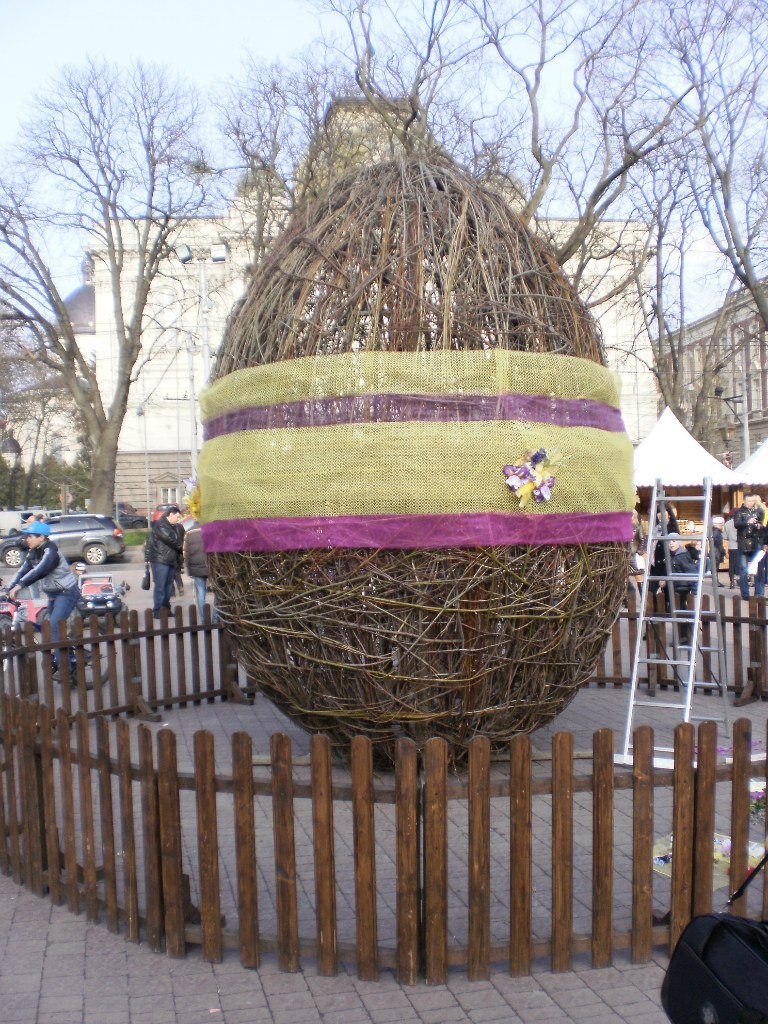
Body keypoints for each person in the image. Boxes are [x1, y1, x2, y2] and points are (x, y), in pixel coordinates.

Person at [3, 521, 80, 678]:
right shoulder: (34, 552)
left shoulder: (51, 553)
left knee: (54, 627)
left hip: (66, 592)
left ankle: (65, 667)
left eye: (30, 536)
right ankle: (65, 654)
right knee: (49, 628)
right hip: (52, 593)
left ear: (42, 537)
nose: (27, 540)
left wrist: (20, 586)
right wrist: (7, 588)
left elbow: (39, 571)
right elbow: (22, 571)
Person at [144, 505, 185, 619]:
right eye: (177, 517)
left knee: (168, 587)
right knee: (160, 586)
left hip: (169, 560)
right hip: (160, 560)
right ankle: (157, 610)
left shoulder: (171, 526)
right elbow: (171, 540)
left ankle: (166, 608)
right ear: (170, 514)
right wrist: (182, 547)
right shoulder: (161, 525)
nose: (178, 519)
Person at [733, 494, 767, 600]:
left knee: (759, 568)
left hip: (756, 542)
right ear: (744, 501)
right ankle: (745, 594)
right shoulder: (739, 512)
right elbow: (737, 524)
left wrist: (759, 525)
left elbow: (763, 526)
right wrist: (748, 522)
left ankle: (759, 594)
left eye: (753, 501)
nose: (751, 503)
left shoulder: (759, 511)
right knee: (743, 570)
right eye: (749, 501)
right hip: (743, 543)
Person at [183, 521, 217, 622]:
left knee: (201, 592)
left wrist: (189, 569)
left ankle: (204, 619)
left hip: (196, 568)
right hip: (212, 566)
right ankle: (215, 618)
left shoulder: (189, 532)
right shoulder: (212, 530)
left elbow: (185, 553)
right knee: (217, 592)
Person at [723, 513, 739, 588]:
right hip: (740, 545)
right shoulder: (740, 522)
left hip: (731, 545)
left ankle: (731, 582)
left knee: (731, 564)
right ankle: (741, 580)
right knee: (742, 564)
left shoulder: (727, 523)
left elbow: (725, 536)